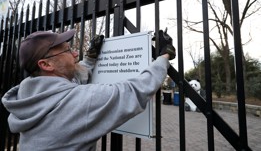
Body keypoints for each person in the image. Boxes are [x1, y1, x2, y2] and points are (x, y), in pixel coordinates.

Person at [1, 29, 176, 151]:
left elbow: (71, 81)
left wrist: (91, 58)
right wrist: (164, 57)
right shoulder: (75, 103)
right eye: (68, 51)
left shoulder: (29, 95)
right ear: (46, 64)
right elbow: (134, 90)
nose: (76, 54)